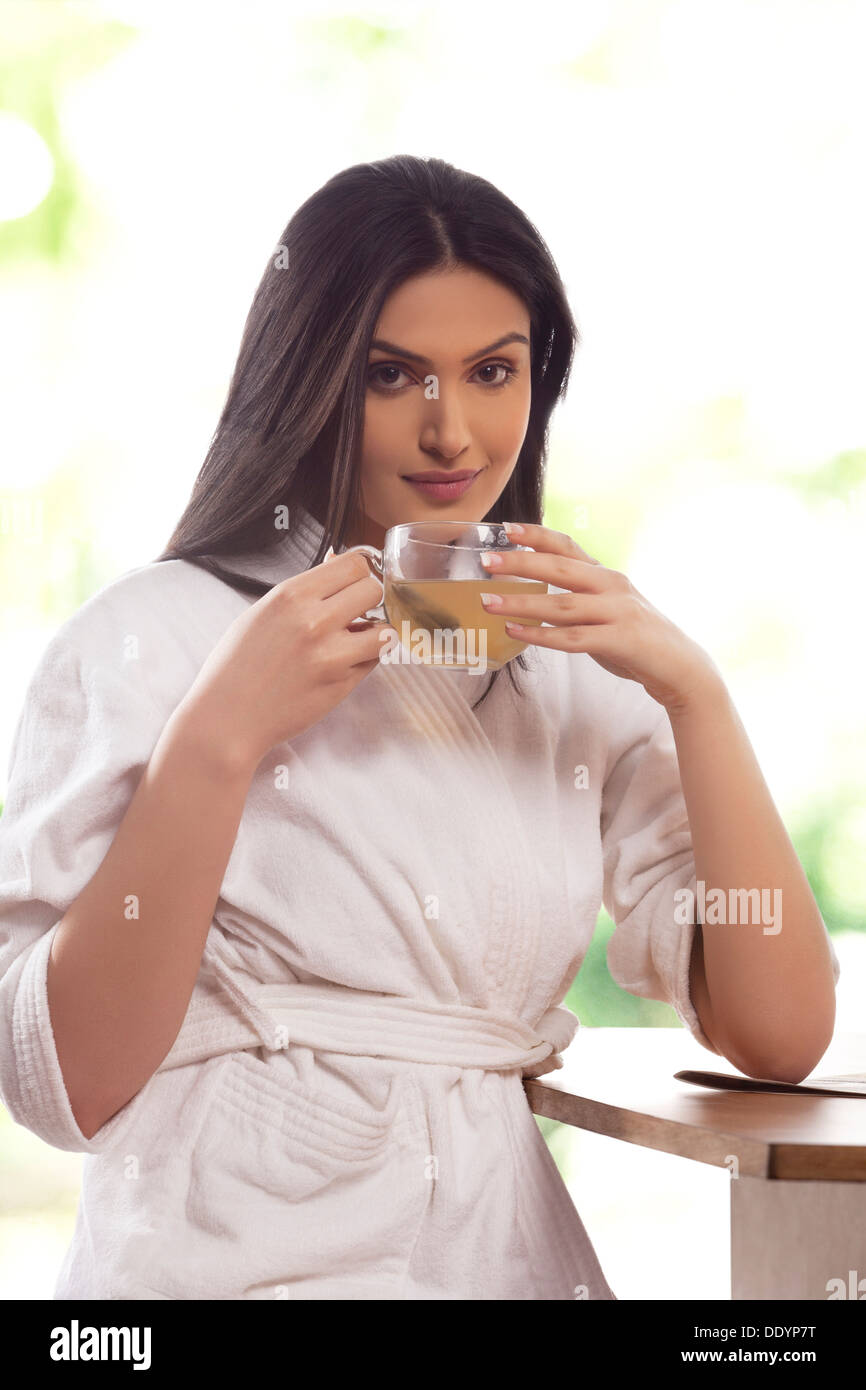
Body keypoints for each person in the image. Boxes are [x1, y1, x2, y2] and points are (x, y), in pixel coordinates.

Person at [0, 155, 839, 1301]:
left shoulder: (570, 670)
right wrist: (217, 741)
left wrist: (693, 691)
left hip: (494, 1255)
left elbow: (781, 1035)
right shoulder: (148, 636)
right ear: (304, 380)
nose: (451, 430)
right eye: (392, 374)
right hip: (217, 1264)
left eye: (492, 371)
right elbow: (67, 1087)